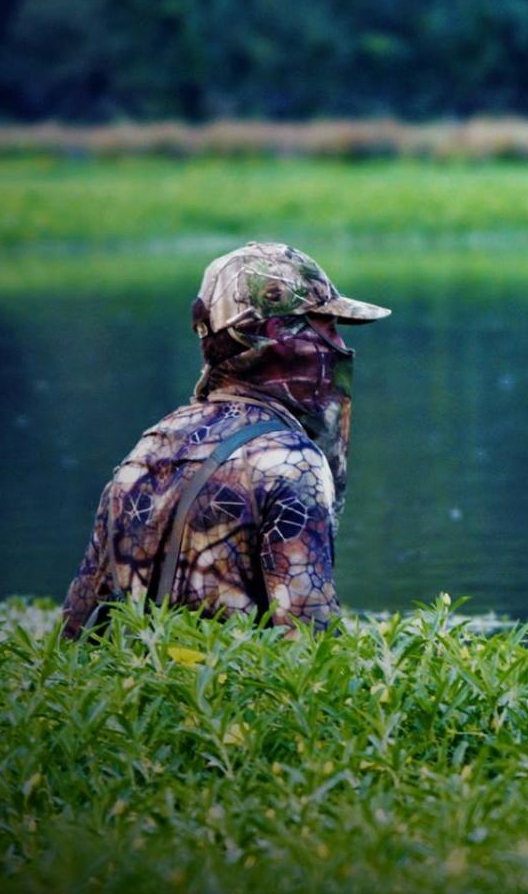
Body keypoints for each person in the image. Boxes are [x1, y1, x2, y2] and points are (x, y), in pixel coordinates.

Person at [60, 241, 389, 638]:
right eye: (327, 327)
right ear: (275, 339)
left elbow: (75, 630)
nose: (339, 347)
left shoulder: (146, 450)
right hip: (228, 693)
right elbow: (310, 642)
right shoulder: (289, 462)